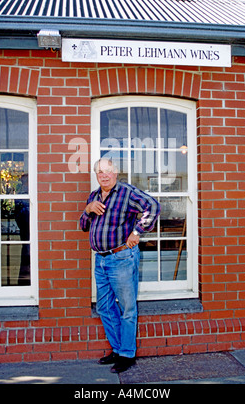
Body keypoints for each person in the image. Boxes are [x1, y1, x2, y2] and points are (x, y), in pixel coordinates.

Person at [80, 157, 160, 373]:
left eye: (107, 171)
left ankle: (126, 354)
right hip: (101, 259)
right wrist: (88, 209)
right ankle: (117, 349)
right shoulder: (94, 196)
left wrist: (137, 232)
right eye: (99, 172)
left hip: (122, 258)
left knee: (127, 308)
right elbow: (83, 226)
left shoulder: (126, 192)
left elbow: (153, 206)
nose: (104, 175)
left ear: (115, 172)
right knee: (105, 307)